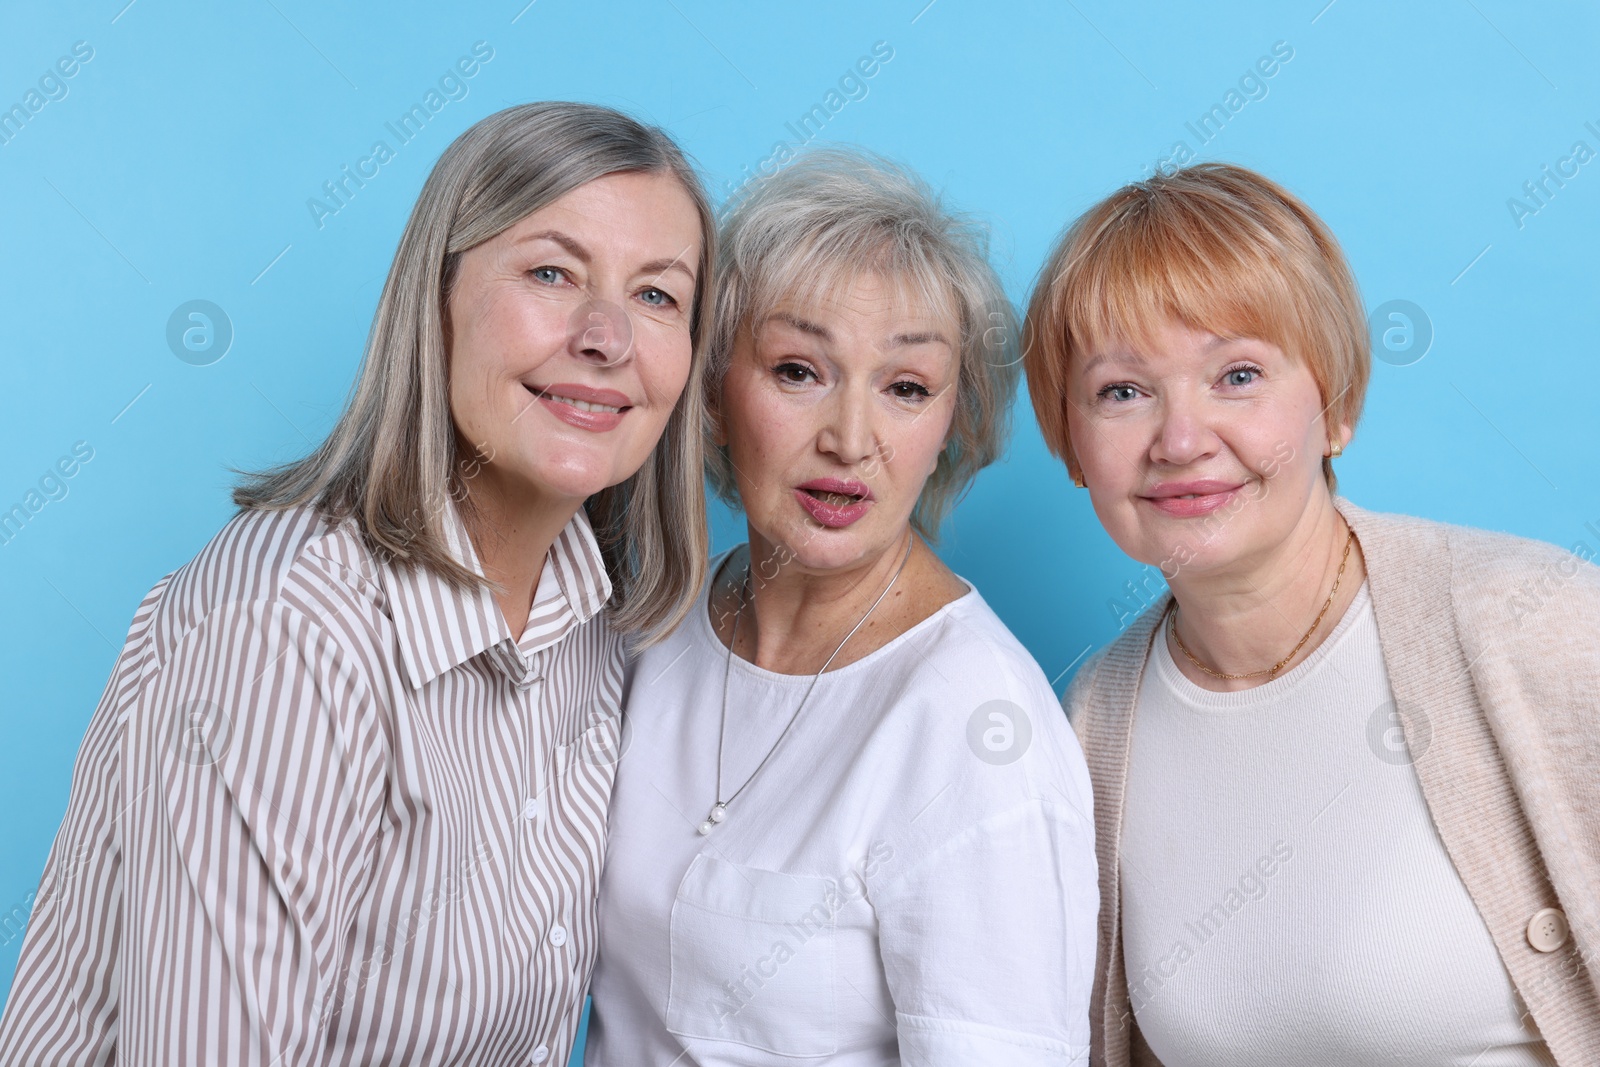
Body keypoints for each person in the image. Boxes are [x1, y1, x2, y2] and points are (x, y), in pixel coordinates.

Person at [0, 101, 715, 1066]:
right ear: (438, 296)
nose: (607, 336)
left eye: (658, 297)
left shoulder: (599, 628)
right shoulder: (282, 625)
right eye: (552, 272)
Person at [1024, 161, 1600, 1066]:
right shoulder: (1094, 720)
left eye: (1238, 374)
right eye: (1122, 391)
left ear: (1338, 406)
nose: (1180, 439)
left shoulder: (1529, 624)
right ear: (1072, 447)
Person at [584, 148, 1099, 1066]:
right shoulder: (656, 624)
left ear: (951, 424)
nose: (850, 439)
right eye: (797, 370)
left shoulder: (978, 726)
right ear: (711, 390)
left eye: (906, 387)